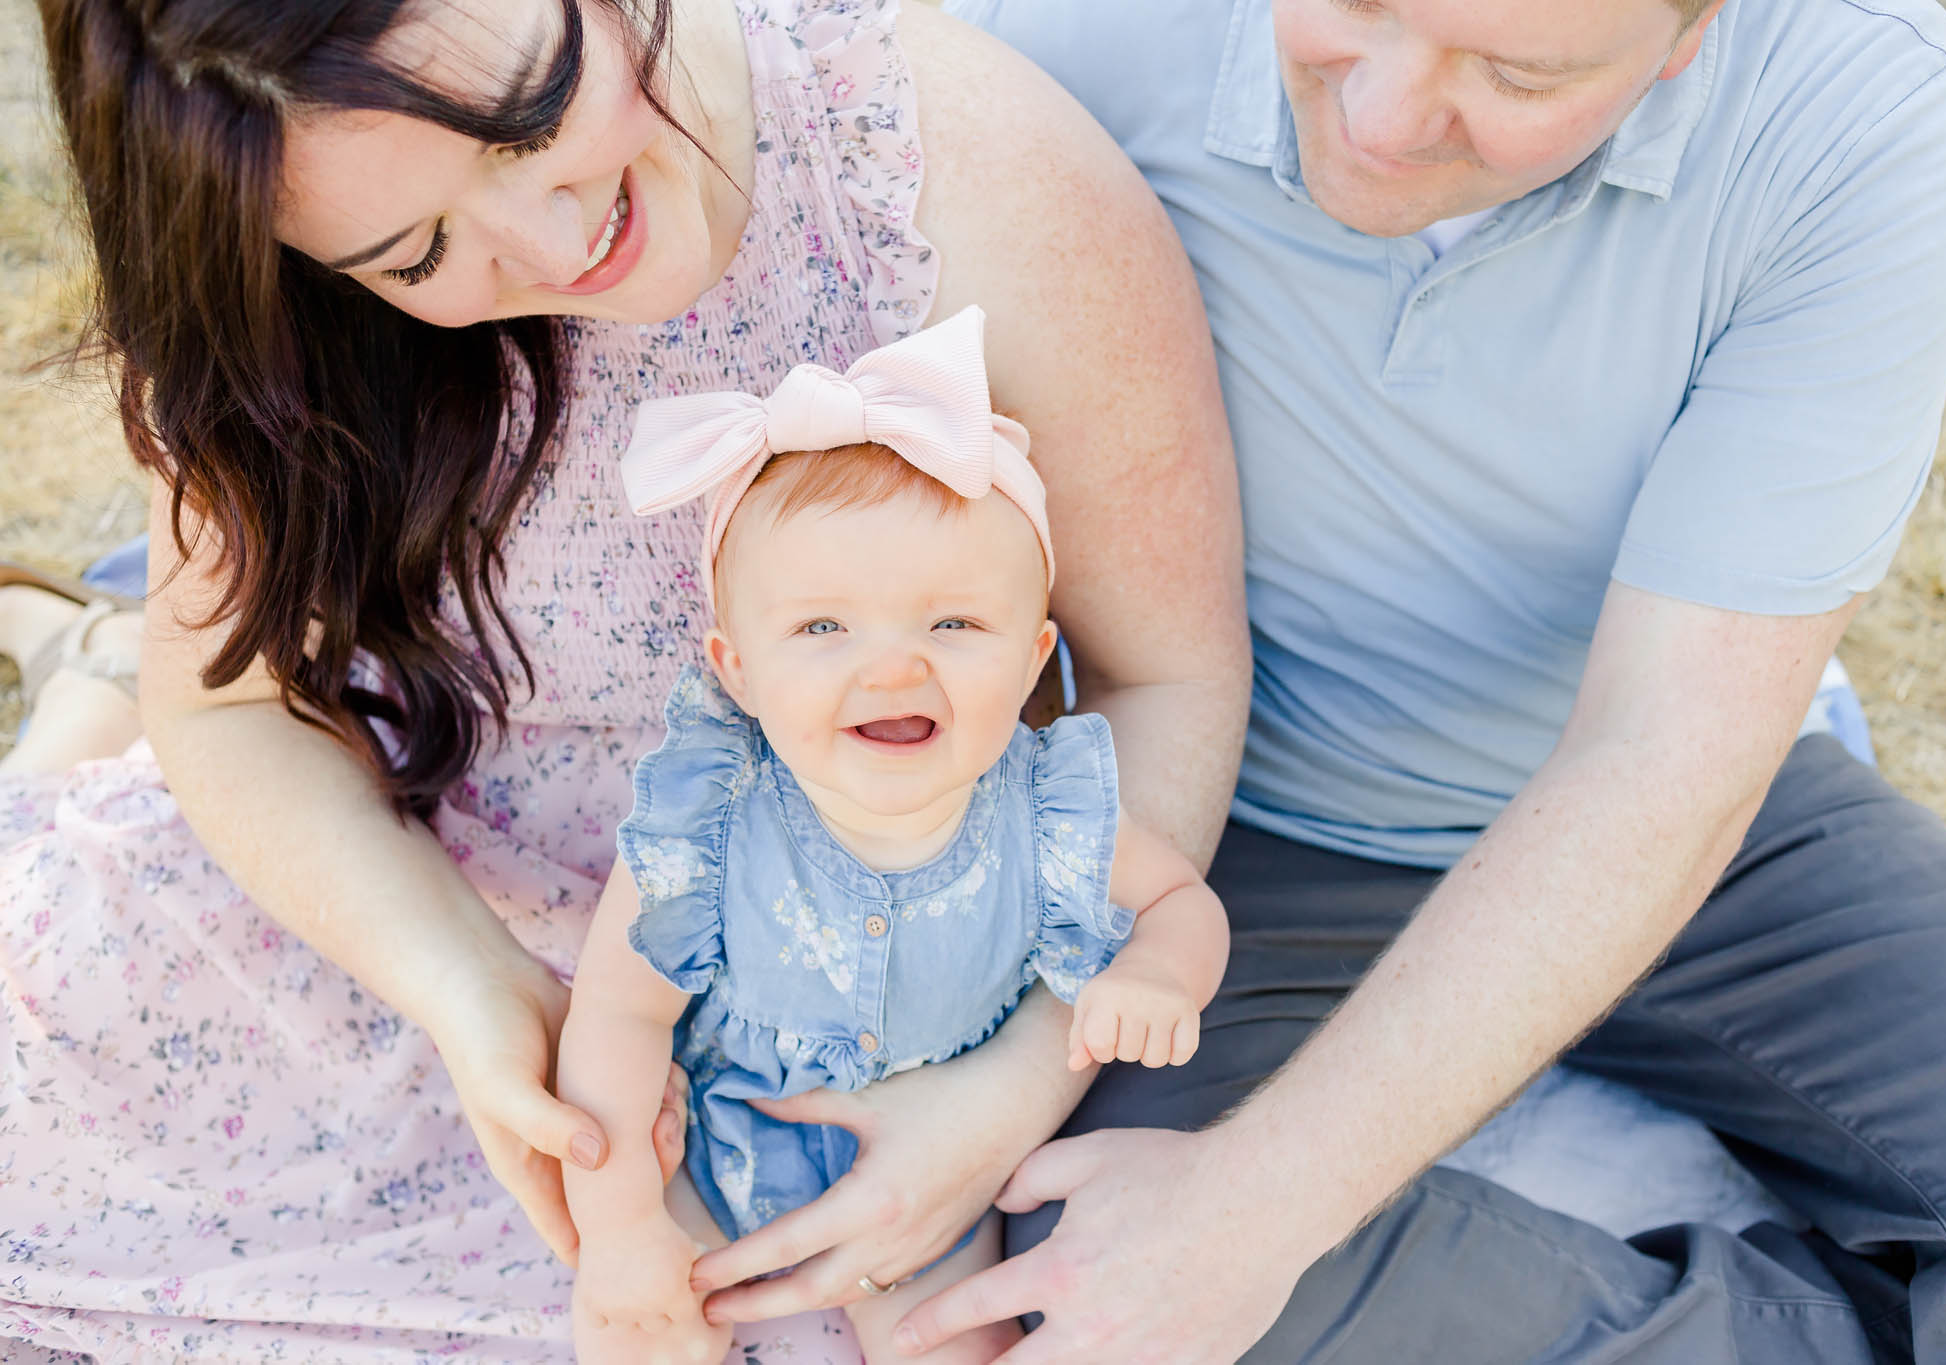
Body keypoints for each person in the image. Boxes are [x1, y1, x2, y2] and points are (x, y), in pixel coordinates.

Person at [781, 0, 1946, 1359]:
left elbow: (1670, 752)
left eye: (1514, 69)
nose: (1379, 120)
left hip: (1690, 798)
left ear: (1688, 35)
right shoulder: (1038, 32)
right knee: (1096, 1297)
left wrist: (1253, 1208)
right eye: (1358, 3)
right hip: (1227, 828)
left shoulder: (1866, 108)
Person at [0, 0, 1247, 1358]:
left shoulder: (967, 171)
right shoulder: (271, 282)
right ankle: (90, 687)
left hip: (825, 1012)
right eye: (414, 255)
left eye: (535, 113)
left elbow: (1167, 677)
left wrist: (1006, 1085)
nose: (554, 244)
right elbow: (234, 700)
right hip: (405, 920)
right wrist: (473, 995)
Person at [557, 306, 1229, 1364]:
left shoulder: (1044, 811)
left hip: (939, 1177)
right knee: (639, 1325)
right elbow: (618, 1019)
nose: (892, 667)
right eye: (823, 628)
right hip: (716, 1152)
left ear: (1032, 657)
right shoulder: (709, 823)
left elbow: (1179, 901)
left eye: (953, 624)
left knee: (954, 1343)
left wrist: (1156, 975)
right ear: (736, 669)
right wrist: (622, 1224)